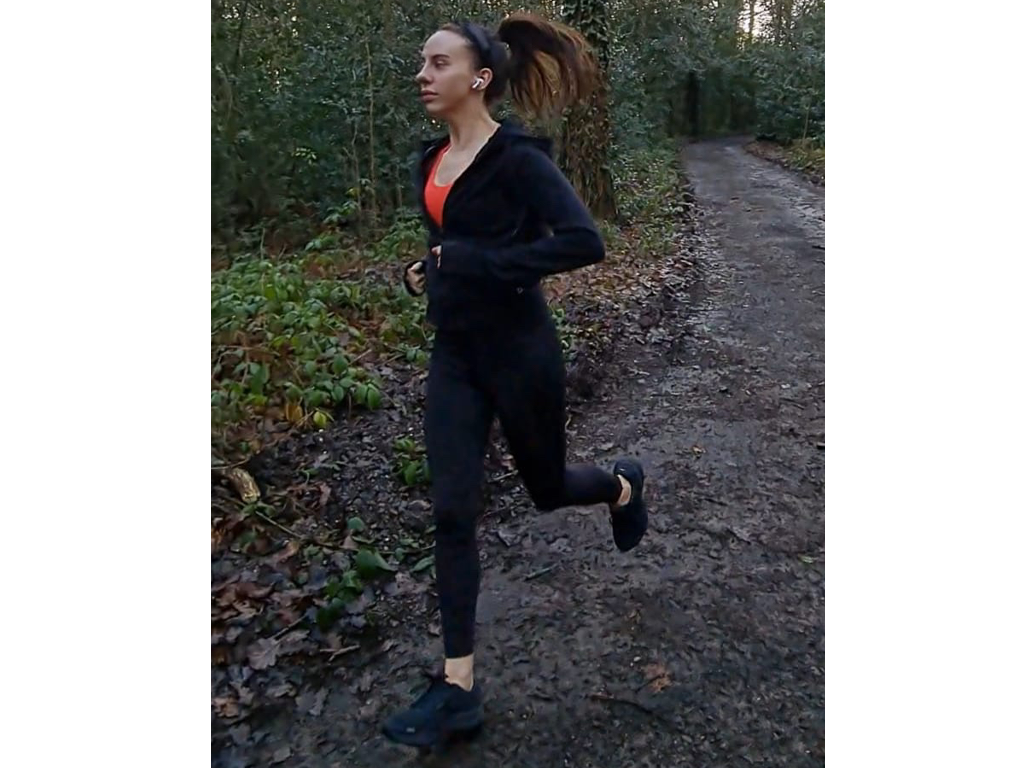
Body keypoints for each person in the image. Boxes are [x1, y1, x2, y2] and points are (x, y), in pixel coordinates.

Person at [382, 12, 649, 750]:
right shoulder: (431, 161)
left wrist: (473, 264)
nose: (423, 75)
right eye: (423, 63)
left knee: (547, 487)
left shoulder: (520, 160)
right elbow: (451, 245)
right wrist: (425, 272)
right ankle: (458, 686)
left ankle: (622, 487)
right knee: (451, 510)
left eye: (438, 63)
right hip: (455, 356)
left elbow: (583, 242)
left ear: (480, 78)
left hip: (521, 352)